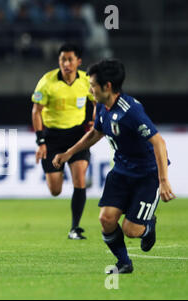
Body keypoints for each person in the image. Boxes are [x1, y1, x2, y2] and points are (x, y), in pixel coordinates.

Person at [53, 59, 176, 273]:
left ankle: (147, 227)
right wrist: (68, 153)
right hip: (121, 171)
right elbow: (95, 133)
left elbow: (159, 143)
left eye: (92, 85)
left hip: (148, 174)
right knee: (106, 219)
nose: (90, 89)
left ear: (107, 86)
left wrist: (163, 181)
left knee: (131, 230)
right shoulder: (101, 105)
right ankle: (124, 263)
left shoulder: (131, 111)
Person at [31, 43, 96, 240]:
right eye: (62, 60)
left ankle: (75, 228)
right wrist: (41, 141)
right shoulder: (47, 82)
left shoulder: (86, 81)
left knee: (80, 180)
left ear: (78, 61)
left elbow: (97, 102)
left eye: (70, 59)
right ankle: (63, 171)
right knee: (55, 190)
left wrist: (94, 121)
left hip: (77, 136)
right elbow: (36, 111)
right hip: (52, 138)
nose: (66, 63)